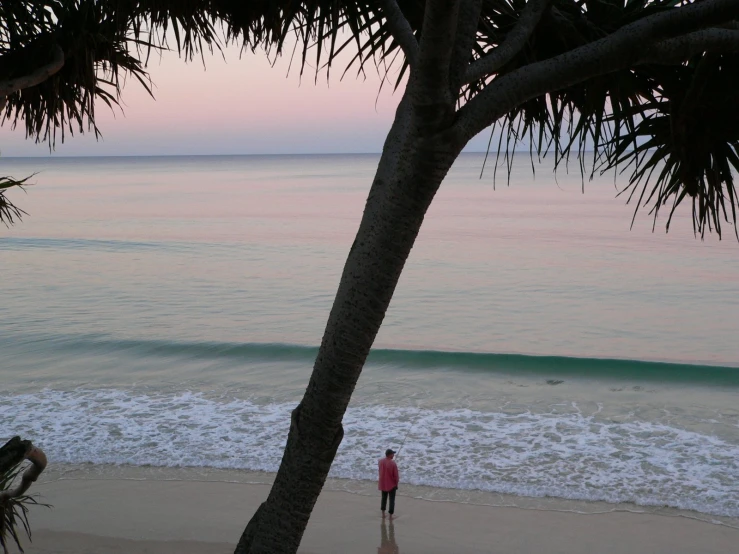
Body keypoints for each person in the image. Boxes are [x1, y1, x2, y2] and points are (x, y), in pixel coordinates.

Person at [378, 448, 399, 518]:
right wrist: (396, 484)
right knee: (392, 499)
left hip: (383, 483)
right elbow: (396, 476)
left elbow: (380, 471)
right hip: (391, 484)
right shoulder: (393, 463)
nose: (393, 455)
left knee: (383, 498)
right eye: (393, 454)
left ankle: (383, 514)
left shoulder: (380, 461)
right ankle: (390, 516)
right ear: (390, 455)